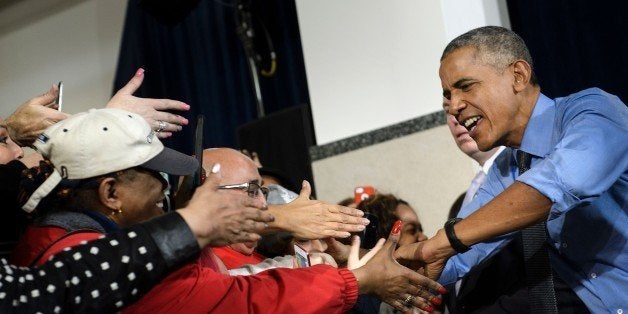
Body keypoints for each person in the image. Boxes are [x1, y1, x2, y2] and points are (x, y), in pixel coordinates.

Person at [395, 26, 628, 313]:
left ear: (518, 76)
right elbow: (456, 257)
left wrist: (449, 240)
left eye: (466, 86)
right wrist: (365, 268)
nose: (454, 106)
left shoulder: (593, 111)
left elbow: (561, 183)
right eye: (448, 94)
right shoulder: (507, 168)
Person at [121, 147, 445, 313]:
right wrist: (354, 278)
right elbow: (259, 300)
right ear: (207, 192)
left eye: (263, 190)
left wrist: (347, 266)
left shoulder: (272, 252)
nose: (266, 203)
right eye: (252, 189)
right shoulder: (191, 261)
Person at [0, 158, 273, 312]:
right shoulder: (70, 244)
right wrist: (191, 225)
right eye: (158, 197)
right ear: (111, 193)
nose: (164, 197)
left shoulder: (71, 233)